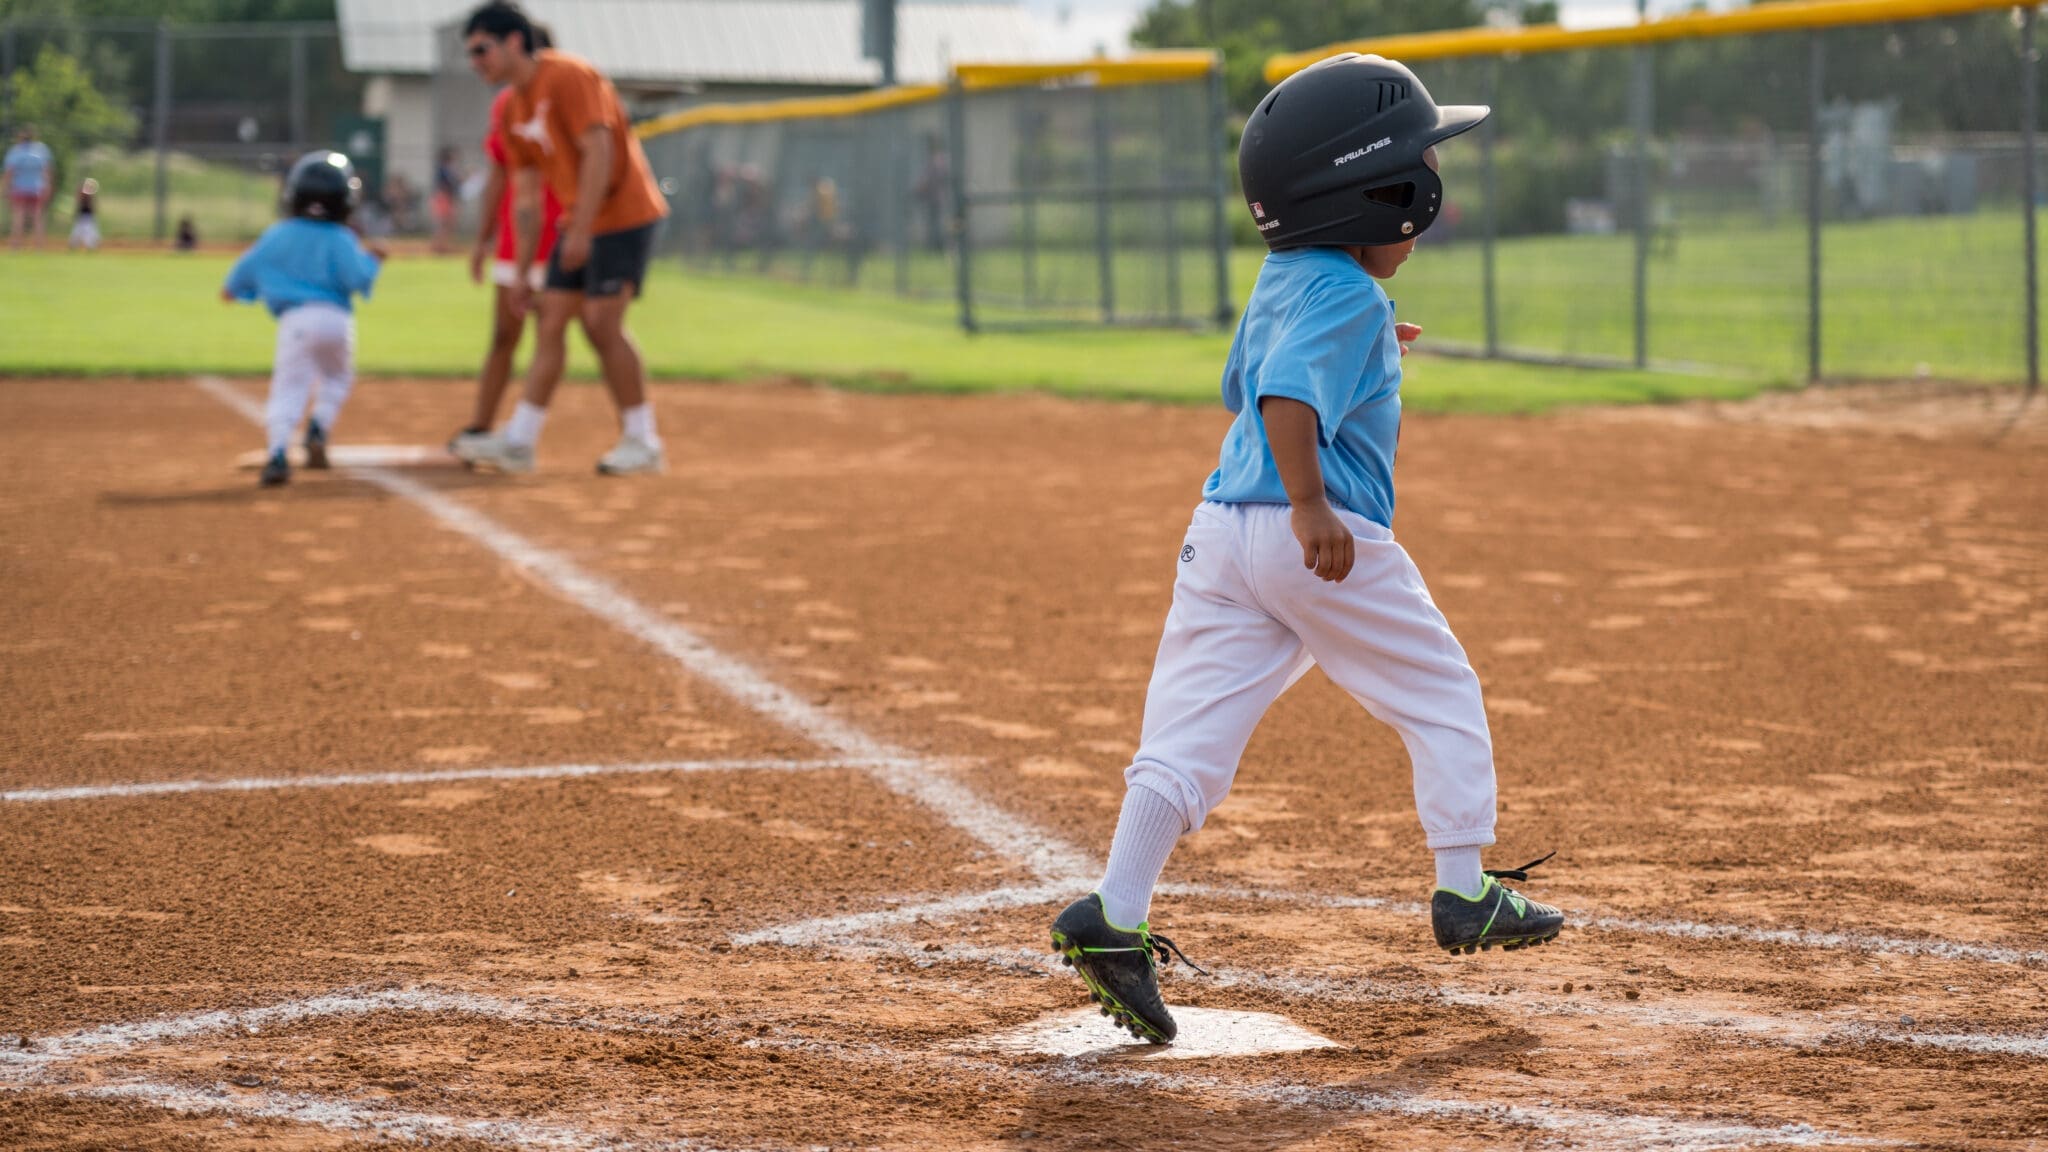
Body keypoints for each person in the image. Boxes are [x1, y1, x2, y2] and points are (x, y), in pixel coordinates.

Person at [1047, 54, 1565, 1045]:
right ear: (1376, 190)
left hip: (1219, 537)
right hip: (1311, 536)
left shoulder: (1287, 277)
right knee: (1439, 692)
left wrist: (1368, 349)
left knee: (1185, 742)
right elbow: (1282, 399)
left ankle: (1112, 916)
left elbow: (1241, 387)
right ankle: (1464, 888)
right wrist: (1313, 507)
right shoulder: (1342, 298)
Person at [452, 0, 670, 476]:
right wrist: (525, 271)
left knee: (600, 323)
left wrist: (586, 225)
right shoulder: (511, 106)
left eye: (481, 50)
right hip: (579, 221)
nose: (476, 63)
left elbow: (600, 150)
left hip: (624, 213)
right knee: (550, 322)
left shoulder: (569, 75)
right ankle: (520, 443)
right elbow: (525, 197)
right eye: (470, 54)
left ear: (514, 41)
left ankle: (643, 440)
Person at [221, 151, 385, 488]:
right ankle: (319, 426)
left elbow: (240, 276)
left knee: (289, 388)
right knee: (337, 378)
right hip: (338, 321)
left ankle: (279, 454)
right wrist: (374, 260)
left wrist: (234, 291)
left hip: (295, 322)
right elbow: (358, 279)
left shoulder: (278, 234)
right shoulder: (342, 238)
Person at [451, 23, 565, 454]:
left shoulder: (571, 97)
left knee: (557, 333)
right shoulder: (507, 105)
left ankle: (522, 434)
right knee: (504, 334)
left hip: (561, 232)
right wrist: (481, 239)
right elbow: (500, 175)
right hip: (517, 236)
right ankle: (481, 427)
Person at [5, 125, 54, 250]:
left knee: (18, 217)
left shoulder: (16, 151)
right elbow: (47, 171)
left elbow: (9, 172)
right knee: (37, 218)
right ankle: (39, 246)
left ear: (21, 137)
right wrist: (48, 186)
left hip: (19, 188)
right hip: (37, 188)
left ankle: (16, 246)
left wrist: (5, 188)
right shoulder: (41, 150)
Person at [431, 145, 463, 252]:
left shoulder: (448, 169)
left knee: (448, 224)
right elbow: (448, 184)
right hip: (444, 197)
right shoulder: (444, 169)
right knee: (444, 223)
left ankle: (443, 244)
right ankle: (439, 246)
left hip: (447, 197)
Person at [68, 178, 101, 252]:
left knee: (89, 234)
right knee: (76, 234)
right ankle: (74, 246)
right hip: (81, 217)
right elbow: (78, 206)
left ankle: (91, 247)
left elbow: (93, 208)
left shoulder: (89, 197)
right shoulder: (82, 197)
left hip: (88, 217)